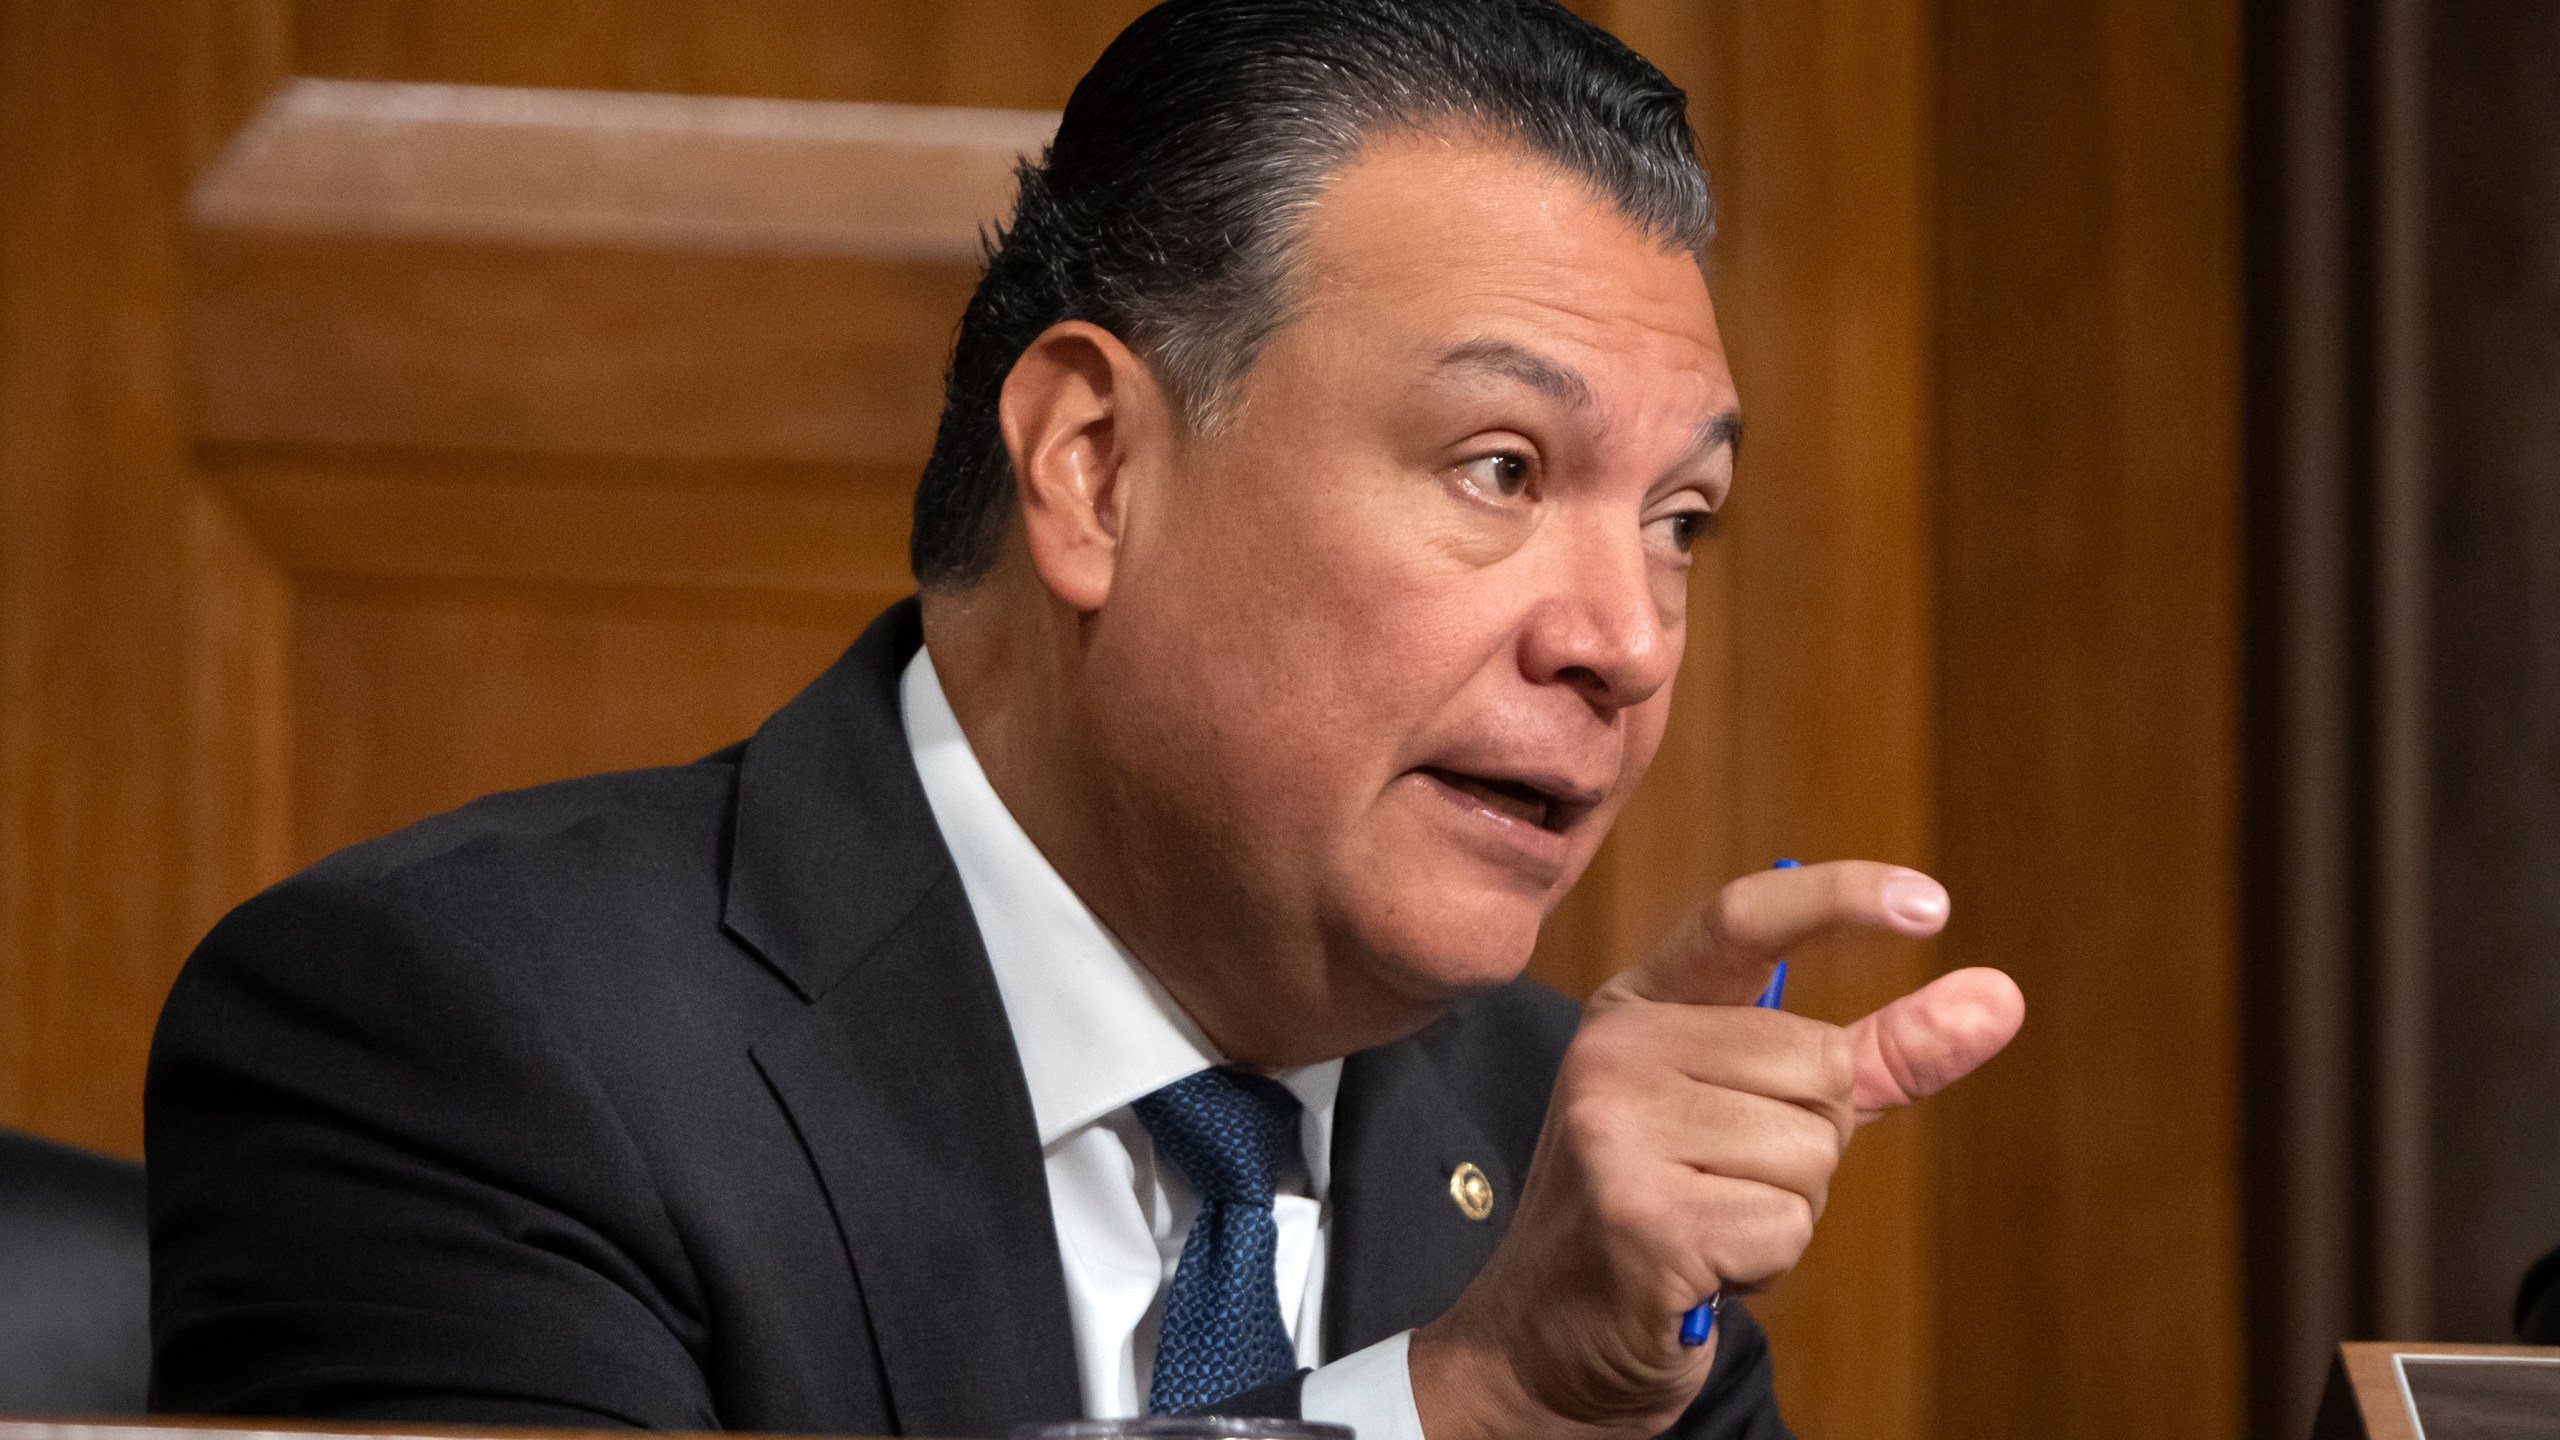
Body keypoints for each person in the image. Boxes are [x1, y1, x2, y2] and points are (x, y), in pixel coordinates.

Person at [146, 2, 2025, 1437]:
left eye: (1680, 521)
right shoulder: (467, 1043)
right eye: (1499, 466)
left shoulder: (1563, 1158)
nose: (1625, 637)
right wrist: (1446, 1407)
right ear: (1097, 469)